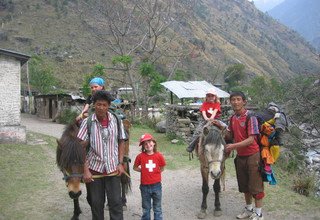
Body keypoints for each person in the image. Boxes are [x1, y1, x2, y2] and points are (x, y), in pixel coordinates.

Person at [77, 90, 128, 220]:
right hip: (95, 172)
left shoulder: (116, 121)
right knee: (96, 205)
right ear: (94, 105)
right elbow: (80, 146)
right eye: (98, 104)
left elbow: (121, 141)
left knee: (116, 204)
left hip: (113, 170)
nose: (101, 107)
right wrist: (86, 170)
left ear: (108, 105)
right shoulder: (87, 122)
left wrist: (120, 163)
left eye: (104, 105)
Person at [214, 91, 264, 220]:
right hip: (240, 156)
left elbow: (251, 139)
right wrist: (220, 128)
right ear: (230, 102)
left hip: (253, 155)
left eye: (238, 99)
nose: (235, 102)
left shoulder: (250, 117)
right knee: (244, 185)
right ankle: (248, 209)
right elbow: (230, 135)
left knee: (256, 186)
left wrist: (233, 146)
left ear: (244, 102)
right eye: (233, 100)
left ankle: (259, 214)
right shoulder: (233, 118)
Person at [133, 133, 166, 220]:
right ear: (143, 146)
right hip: (144, 187)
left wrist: (156, 173)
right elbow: (135, 167)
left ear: (154, 142)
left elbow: (162, 167)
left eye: (149, 142)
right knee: (146, 208)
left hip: (157, 186)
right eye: (145, 144)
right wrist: (143, 171)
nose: (148, 145)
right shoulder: (140, 156)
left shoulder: (159, 156)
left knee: (157, 208)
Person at [186, 88, 224, 152]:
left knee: (225, 128)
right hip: (205, 120)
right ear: (206, 97)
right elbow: (203, 112)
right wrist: (206, 119)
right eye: (208, 96)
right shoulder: (204, 104)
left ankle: (225, 146)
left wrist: (211, 118)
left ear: (215, 97)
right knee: (198, 131)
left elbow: (215, 112)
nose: (210, 97)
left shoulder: (217, 104)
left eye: (212, 96)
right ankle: (191, 145)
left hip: (215, 119)